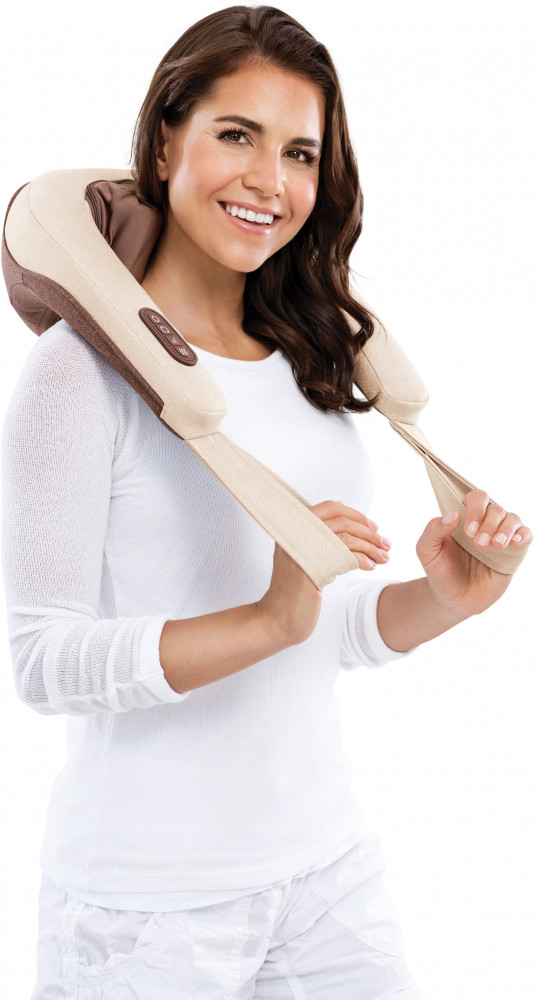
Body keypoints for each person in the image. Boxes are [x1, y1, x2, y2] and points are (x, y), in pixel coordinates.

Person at [1, 5, 531, 998]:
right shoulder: (77, 375)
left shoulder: (309, 362)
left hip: (326, 873)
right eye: (236, 135)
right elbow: (42, 662)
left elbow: (319, 628)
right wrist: (267, 618)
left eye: (299, 153)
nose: (269, 181)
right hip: (148, 910)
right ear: (166, 142)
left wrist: (439, 599)